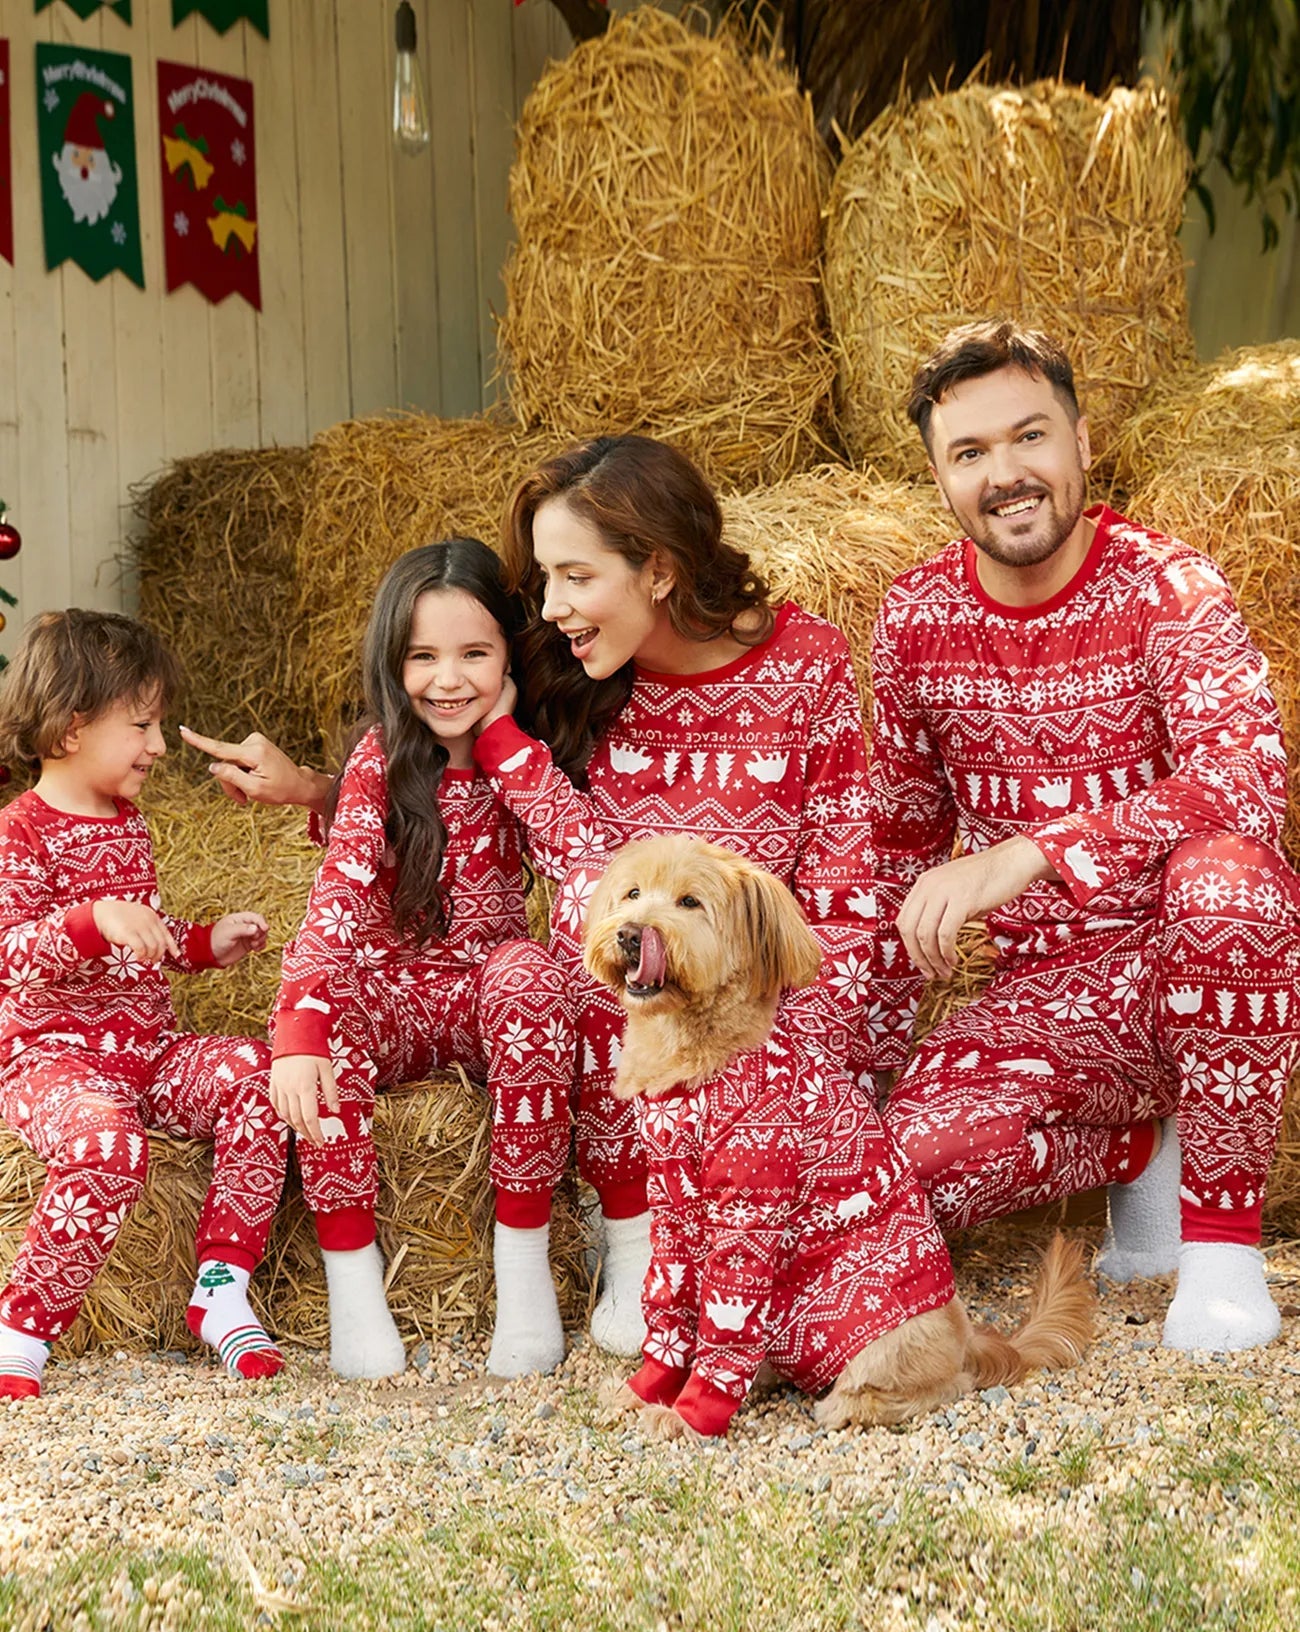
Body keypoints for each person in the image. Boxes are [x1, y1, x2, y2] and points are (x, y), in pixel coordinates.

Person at [183, 436, 884, 1357]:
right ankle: (634, 1242)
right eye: (544, 581)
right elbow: (440, 785)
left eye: (571, 577)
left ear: (659, 569)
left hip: (760, 1031)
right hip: (615, 1027)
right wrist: (327, 791)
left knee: (884, 1207)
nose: (548, 610)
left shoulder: (805, 663)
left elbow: (846, 901)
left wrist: (808, 1083)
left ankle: (683, 1231)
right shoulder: (576, 675)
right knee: (587, 956)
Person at [870, 317, 1300, 1353]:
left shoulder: (1168, 587)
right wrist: (843, 1067)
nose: (1005, 473)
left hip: (1184, 959)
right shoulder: (914, 620)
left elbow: (1248, 780)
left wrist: (1033, 850)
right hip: (1043, 1004)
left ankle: (1221, 1250)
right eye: (969, 453)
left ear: (1080, 442)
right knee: (900, 1170)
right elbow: (892, 854)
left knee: (1231, 884)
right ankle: (1124, 1149)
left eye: (1029, 437)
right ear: (937, 476)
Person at [267, 540, 577, 1380]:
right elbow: (335, 897)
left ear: (511, 653)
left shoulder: (530, 757)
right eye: (422, 656)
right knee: (325, 1037)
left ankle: (523, 1274)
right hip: (394, 1001)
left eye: (475, 653)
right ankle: (353, 1286)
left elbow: (583, 857)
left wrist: (509, 742)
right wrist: (300, 1020)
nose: (448, 679)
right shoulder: (379, 761)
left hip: (488, 999)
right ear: (390, 661)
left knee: (532, 972)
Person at [0, 610, 288, 1400]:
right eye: (142, 724)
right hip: (50, 1061)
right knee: (109, 1144)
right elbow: (12, 954)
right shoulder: (19, 834)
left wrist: (202, 945)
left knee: (261, 1076)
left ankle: (223, 1287)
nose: (159, 745)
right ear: (68, 729)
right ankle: (21, 1326)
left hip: (149, 1054)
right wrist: (92, 921)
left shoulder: (131, 828)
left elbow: (143, 940)